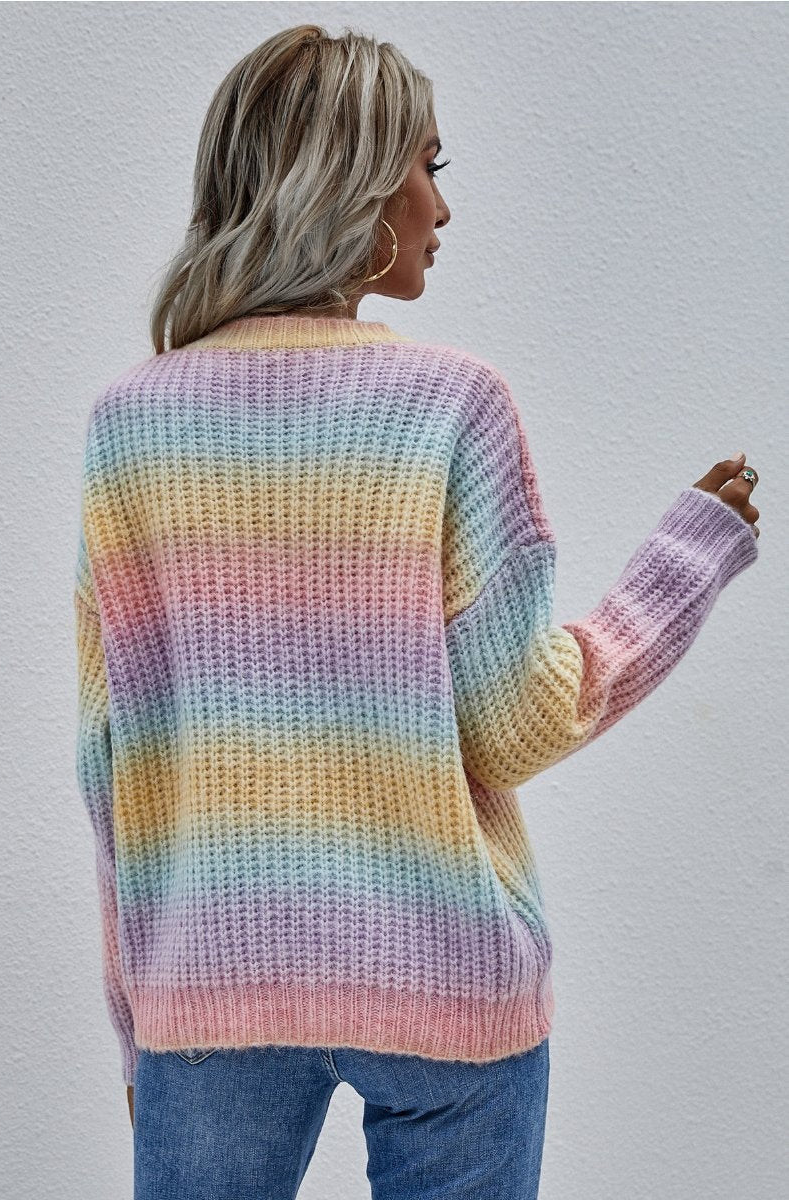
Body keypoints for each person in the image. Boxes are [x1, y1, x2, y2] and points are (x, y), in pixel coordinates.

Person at [73, 24, 761, 1200]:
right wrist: (682, 565)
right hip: (448, 976)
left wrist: (137, 1021)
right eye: (427, 166)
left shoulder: (130, 426)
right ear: (350, 178)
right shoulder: (452, 405)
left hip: (210, 987)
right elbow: (515, 723)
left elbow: (114, 764)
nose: (441, 206)